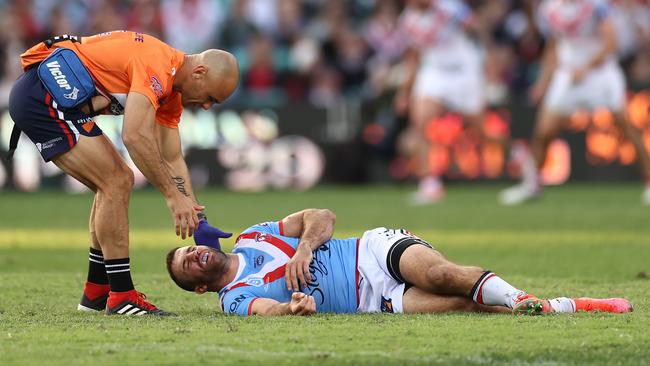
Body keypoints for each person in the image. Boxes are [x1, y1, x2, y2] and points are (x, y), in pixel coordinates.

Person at [8, 31, 239, 316]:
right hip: (42, 99)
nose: (206, 106)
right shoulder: (158, 65)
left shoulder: (171, 91)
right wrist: (171, 196)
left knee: (113, 183)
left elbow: (172, 157)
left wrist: (197, 218)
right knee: (116, 181)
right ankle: (121, 296)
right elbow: (134, 136)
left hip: (50, 98)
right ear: (200, 73)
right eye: (211, 99)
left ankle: (96, 293)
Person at [166, 208, 632, 316]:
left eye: (188, 248)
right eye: (186, 264)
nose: (193, 254)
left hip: (370, 251)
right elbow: (262, 311)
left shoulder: (254, 235)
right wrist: (291, 308)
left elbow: (322, 216)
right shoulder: (232, 297)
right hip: (377, 303)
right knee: (467, 307)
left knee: (443, 275)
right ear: (199, 286)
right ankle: (571, 305)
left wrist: (305, 247)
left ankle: (530, 301)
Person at [499, 0, 650, 205]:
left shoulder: (597, 6)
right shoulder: (549, 9)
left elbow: (611, 43)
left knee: (626, 127)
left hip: (601, 73)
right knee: (544, 132)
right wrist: (543, 82)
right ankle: (531, 185)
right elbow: (553, 46)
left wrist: (586, 68)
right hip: (568, 74)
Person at [394, 0, 494, 204]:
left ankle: (521, 160)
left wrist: (487, 63)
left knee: (483, 131)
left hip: (463, 71)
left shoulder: (449, 8)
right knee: (420, 123)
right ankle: (430, 185)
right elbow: (414, 56)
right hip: (434, 72)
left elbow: (478, 30)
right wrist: (405, 91)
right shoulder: (407, 19)